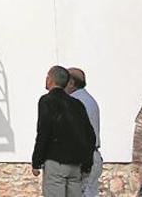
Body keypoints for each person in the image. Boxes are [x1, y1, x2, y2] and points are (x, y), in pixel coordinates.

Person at [32, 66, 96, 197]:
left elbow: (44, 131)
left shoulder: (47, 101)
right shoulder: (77, 104)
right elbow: (90, 135)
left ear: (51, 80)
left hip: (56, 162)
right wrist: (87, 163)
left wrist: (36, 160)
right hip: (75, 165)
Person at [66, 67, 102, 197]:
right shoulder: (88, 99)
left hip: (81, 158)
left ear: (71, 83)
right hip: (91, 156)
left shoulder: (75, 102)